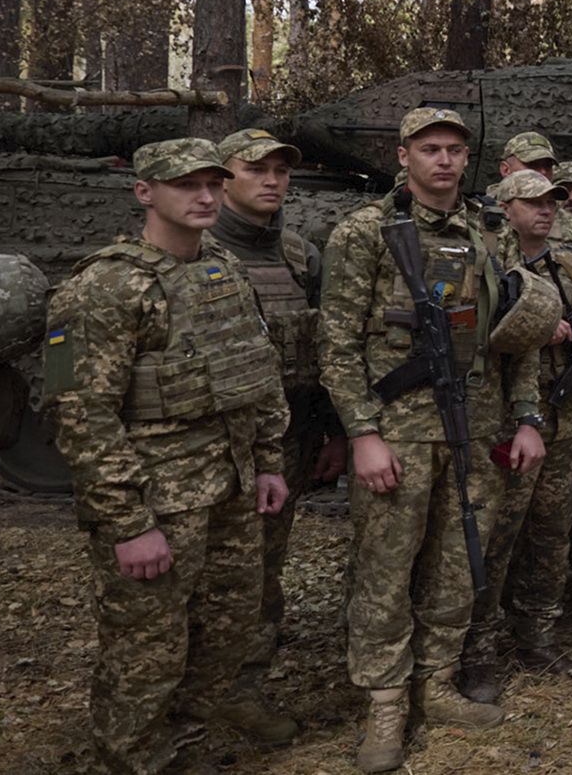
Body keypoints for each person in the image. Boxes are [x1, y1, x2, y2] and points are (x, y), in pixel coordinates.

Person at [45, 138, 294, 774]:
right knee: (146, 650)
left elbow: (254, 372)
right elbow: (80, 416)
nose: (206, 197)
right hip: (157, 503)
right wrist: (129, 523)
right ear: (145, 192)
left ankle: (178, 748)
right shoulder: (102, 288)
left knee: (227, 630)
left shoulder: (222, 268)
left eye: (213, 183)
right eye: (187, 185)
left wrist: (267, 460)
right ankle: (132, 759)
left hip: (231, 490)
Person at [319, 108, 545, 772]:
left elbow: (517, 339)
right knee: (386, 570)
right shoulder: (365, 233)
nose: (444, 160)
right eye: (430, 148)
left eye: (453, 149)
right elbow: (335, 346)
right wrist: (362, 432)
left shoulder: (487, 235)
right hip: (397, 433)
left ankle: (437, 682)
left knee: (457, 564)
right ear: (404, 156)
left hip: (472, 431)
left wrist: (528, 417)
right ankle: (386, 703)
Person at [209, 127, 346, 728]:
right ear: (224, 178)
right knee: (202, 572)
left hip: (286, 439)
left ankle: (242, 687)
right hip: (210, 443)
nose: (271, 181)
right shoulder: (198, 249)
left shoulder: (298, 255)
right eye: (255, 169)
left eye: (281, 171)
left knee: (265, 567)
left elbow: (328, 348)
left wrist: (336, 432)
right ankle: (188, 691)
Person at [460, 170, 572, 704]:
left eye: (551, 202)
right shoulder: (488, 264)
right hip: (506, 425)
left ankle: (537, 636)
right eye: (532, 202)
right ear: (506, 206)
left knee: (550, 535)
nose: (545, 210)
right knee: (496, 542)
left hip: (564, 422)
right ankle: (478, 651)